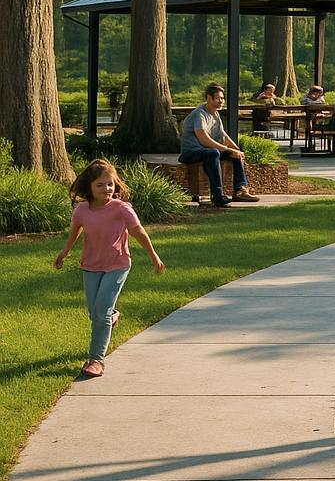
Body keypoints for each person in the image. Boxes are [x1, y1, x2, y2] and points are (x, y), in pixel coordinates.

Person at [53, 159, 166, 378]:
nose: (107, 189)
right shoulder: (81, 210)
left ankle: (96, 360)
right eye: (100, 185)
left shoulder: (121, 209)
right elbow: (75, 231)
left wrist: (154, 256)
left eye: (110, 184)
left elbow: (139, 232)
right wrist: (64, 253)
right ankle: (112, 315)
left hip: (117, 264)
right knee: (94, 312)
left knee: (100, 312)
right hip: (90, 265)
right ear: (89, 187)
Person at [178, 83, 261, 206]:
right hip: (191, 152)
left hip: (207, 152)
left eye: (222, 98)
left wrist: (236, 150)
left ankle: (240, 191)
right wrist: (227, 149)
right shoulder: (199, 114)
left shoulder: (216, 114)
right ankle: (217, 195)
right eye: (218, 98)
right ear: (208, 98)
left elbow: (223, 135)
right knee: (213, 152)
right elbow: (203, 139)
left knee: (234, 155)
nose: (221, 101)